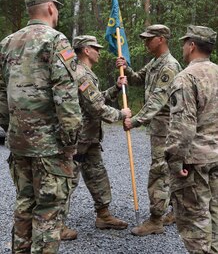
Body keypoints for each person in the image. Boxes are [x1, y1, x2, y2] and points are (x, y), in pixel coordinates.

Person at [0, 0, 82, 254]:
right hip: (50, 145)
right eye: (56, 7)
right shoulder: (56, 41)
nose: (56, 12)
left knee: (25, 202)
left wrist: (10, 126)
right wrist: (71, 141)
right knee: (48, 208)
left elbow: (1, 95)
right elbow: (66, 95)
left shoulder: (7, 43)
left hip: (19, 141)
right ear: (49, 8)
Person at [61, 35, 131, 240]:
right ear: (85, 50)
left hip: (89, 138)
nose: (99, 51)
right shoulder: (81, 74)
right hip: (78, 139)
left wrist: (116, 88)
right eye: (95, 48)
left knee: (98, 175)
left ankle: (103, 215)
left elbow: (96, 97)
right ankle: (56, 225)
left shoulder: (86, 73)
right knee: (67, 181)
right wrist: (121, 115)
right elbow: (97, 107)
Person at [116, 24, 182, 236]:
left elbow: (157, 100)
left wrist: (135, 120)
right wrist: (125, 68)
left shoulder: (169, 66)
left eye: (149, 39)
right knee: (168, 170)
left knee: (158, 171)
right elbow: (138, 78)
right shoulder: (156, 63)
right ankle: (174, 211)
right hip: (159, 126)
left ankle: (156, 220)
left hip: (166, 126)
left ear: (161, 39)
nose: (145, 43)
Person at [165, 25, 218, 254]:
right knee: (215, 217)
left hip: (194, 162)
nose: (183, 47)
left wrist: (175, 162)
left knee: (195, 222)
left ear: (192, 45)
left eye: (185, 42)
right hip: (216, 155)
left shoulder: (186, 78)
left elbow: (183, 128)